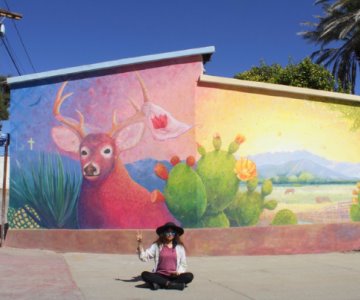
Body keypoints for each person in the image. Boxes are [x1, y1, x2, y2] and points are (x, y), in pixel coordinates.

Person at [136, 222, 194, 290]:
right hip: (160, 275)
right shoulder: (157, 246)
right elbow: (144, 257)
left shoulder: (180, 247)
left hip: (174, 276)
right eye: (168, 232)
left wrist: (178, 272)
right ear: (163, 233)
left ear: (175, 234)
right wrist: (140, 242)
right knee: (145, 274)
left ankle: (160, 284)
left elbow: (183, 264)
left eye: (172, 232)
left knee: (189, 276)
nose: (170, 234)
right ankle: (172, 284)